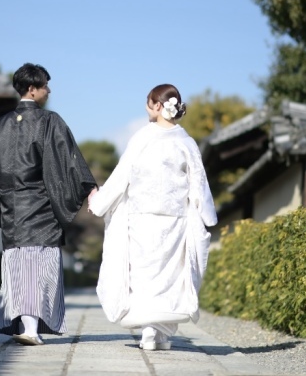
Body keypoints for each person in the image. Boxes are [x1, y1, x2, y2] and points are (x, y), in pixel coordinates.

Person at [0, 63, 97, 346]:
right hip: (41, 207)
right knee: (39, 268)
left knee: (18, 269)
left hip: (12, 210)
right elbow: (68, 161)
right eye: (45, 85)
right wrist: (89, 186)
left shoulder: (1, 124)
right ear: (32, 88)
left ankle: (25, 324)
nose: (49, 90)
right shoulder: (49, 122)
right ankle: (30, 328)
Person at [88, 84, 217, 351]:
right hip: (174, 219)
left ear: (159, 106)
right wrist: (206, 214)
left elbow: (122, 175)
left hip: (143, 219)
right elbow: (198, 184)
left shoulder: (142, 138)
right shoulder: (187, 143)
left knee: (145, 276)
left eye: (148, 104)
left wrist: (98, 201)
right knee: (169, 277)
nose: (147, 109)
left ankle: (149, 331)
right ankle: (160, 334)